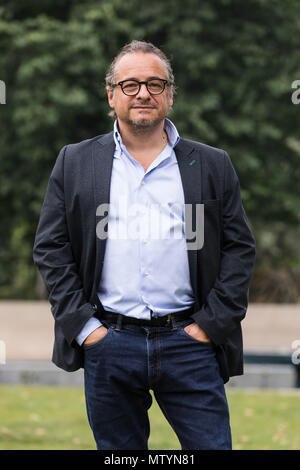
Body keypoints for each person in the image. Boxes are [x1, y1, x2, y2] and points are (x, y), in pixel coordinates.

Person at [33, 40, 256, 450]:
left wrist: (209, 327)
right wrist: (85, 329)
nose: (143, 93)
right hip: (109, 342)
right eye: (130, 83)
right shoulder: (76, 161)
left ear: (170, 95)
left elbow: (239, 249)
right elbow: (51, 247)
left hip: (189, 345)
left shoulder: (210, 164)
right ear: (111, 95)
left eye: (155, 84)